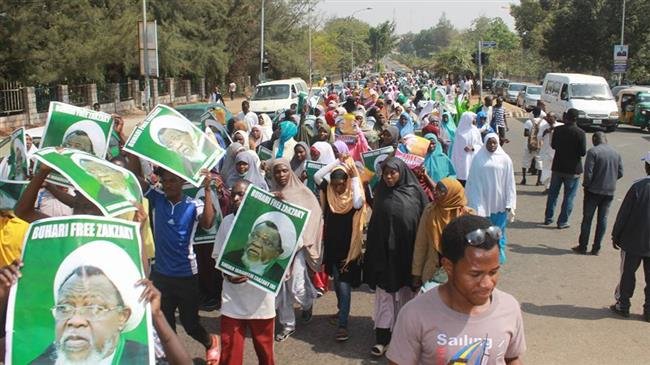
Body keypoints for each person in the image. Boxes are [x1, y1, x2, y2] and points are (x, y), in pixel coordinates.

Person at [387, 215, 526, 365]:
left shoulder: (509, 308)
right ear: (448, 266)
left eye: (493, 272)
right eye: (475, 274)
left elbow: (512, 358)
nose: (487, 284)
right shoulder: (415, 314)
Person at [129, 160, 221, 363]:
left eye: (172, 181)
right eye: (164, 181)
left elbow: (208, 223)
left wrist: (207, 190)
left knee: (190, 325)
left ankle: (210, 342)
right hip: (161, 275)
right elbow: (136, 179)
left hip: (186, 275)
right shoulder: (156, 198)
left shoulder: (192, 204)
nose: (168, 184)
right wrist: (127, 148)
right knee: (166, 325)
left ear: (181, 182)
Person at [32, 242, 148, 364]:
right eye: (65, 308)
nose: (75, 321)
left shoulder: (144, 359)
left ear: (122, 316)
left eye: (93, 309)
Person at [364, 157, 428, 357]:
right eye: (386, 173)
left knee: (407, 297)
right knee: (385, 297)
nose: (389, 177)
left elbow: (425, 223)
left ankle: (405, 339)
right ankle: (382, 339)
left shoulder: (415, 192)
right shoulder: (381, 192)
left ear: (402, 172)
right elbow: (375, 227)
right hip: (384, 256)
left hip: (408, 255)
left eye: (393, 173)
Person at [212, 179, 276, 365]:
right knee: (230, 350)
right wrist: (227, 274)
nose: (236, 198)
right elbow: (218, 256)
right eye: (234, 194)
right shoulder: (227, 222)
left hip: (261, 300)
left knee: (265, 353)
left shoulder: (269, 222)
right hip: (233, 299)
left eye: (242, 194)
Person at [269, 159, 323, 342]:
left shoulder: (303, 192)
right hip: (277, 250)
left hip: (297, 248)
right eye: (277, 172)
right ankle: (287, 324)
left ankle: (307, 303)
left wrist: (305, 241)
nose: (281, 175)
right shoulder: (270, 194)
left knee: (297, 287)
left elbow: (315, 217)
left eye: (284, 171)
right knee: (282, 289)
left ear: (290, 171)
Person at [314, 157, 366, 342]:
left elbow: (360, 200)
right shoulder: (329, 196)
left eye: (341, 184)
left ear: (347, 182)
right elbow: (318, 175)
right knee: (336, 283)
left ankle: (343, 325)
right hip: (332, 248)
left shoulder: (354, 198)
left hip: (348, 251)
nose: (337, 188)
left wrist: (353, 175)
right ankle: (340, 309)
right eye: (334, 185)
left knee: (344, 287)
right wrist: (338, 161)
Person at [609, 152, 650, 322]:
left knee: (627, 274)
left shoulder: (638, 187)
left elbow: (624, 214)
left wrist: (615, 235)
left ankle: (623, 305)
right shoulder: (638, 187)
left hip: (633, 241)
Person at [412, 178, 472, 290]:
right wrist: (416, 273)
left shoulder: (467, 215)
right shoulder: (430, 211)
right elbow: (421, 243)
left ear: (452, 193)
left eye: (441, 190)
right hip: (432, 272)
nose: (435, 192)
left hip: (458, 273)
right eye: (436, 188)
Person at [466, 133, 517, 264]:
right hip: (483, 201)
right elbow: (473, 181)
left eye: (494, 142)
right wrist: (475, 201)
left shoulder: (505, 159)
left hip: (499, 202)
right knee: (483, 230)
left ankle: (498, 255)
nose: (492, 145)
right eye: (489, 142)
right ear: (485, 143)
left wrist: (510, 202)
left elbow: (510, 182)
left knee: (498, 231)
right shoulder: (478, 159)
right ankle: (484, 256)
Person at [573, 132, 623, 255]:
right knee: (602, 220)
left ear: (595, 139)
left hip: (593, 191)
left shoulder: (593, 152)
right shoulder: (616, 153)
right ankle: (596, 248)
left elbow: (588, 173)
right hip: (609, 191)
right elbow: (621, 172)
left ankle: (583, 246)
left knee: (587, 219)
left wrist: (586, 186)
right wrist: (609, 179)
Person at [543, 108, 587, 229]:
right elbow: (583, 152)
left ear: (566, 117)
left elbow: (554, 145)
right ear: (577, 119)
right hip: (573, 170)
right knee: (569, 197)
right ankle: (562, 222)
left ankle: (548, 218)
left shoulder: (558, 130)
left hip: (558, 167)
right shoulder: (580, 133)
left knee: (553, 194)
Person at [451, 112, 482, 186]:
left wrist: (473, 147)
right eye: (473, 118)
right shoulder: (459, 131)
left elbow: (480, 144)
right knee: (461, 181)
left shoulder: (475, 130)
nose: (475, 120)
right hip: (461, 161)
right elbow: (456, 148)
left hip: (473, 159)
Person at [537, 112, 562, 190]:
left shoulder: (560, 126)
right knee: (546, 170)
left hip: (557, 152)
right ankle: (547, 187)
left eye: (550, 117)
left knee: (555, 171)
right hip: (546, 151)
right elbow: (539, 138)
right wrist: (546, 132)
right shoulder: (543, 127)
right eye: (547, 117)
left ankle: (554, 187)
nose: (548, 119)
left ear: (555, 118)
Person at [520, 107, 543, 185]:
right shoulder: (543, 122)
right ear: (540, 114)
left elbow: (525, 134)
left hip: (529, 145)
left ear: (532, 113)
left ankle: (524, 179)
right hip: (539, 145)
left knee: (525, 161)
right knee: (539, 162)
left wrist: (532, 135)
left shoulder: (528, 122)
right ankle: (538, 181)